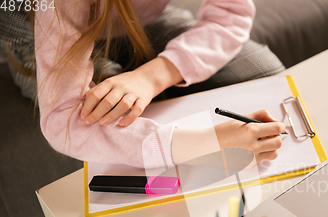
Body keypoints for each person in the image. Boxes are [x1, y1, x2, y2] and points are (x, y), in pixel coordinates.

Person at [0, 0, 286, 169]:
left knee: (265, 72)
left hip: (133, 15)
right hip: (37, 22)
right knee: (110, 110)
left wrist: (154, 76)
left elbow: (231, 15)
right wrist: (208, 144)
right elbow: (64, 120)